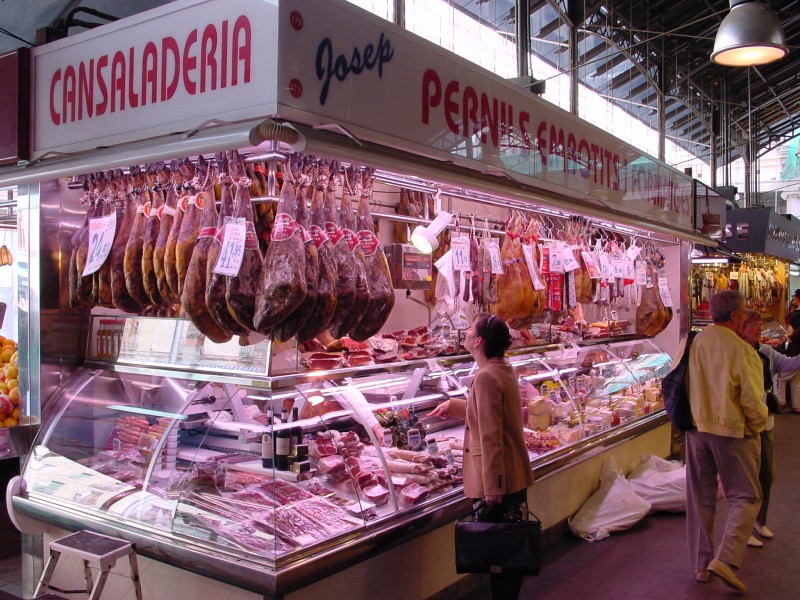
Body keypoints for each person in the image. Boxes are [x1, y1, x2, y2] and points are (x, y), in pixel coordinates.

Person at [430, 313, 534, 600]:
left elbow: (491, 434)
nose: (464, 332)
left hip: (500, 478)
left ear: (478, 341)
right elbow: (488, 412)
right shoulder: (501, 368)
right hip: (512, 471)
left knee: (500, 553)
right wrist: (452, 406)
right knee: (508, 550)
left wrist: (492, 486)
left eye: (469, 329)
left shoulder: (486, 376)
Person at [685, 290, 767, 592]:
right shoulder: (742, 350)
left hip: (696, 428)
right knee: (745, 496)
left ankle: (700, 566)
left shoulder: (695, 341)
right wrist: (758, 425)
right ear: (734, 315)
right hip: (732, 431)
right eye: (744, 312)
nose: (746, 316)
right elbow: (752, 401)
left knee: (701, 498)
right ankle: (726, 559)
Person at [740, 310, 800, 548]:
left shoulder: (765, 352)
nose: (758, 330)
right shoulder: (735, 352)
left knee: (767, 474)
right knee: (747, 478)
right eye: (753, 325)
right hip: (743, 425)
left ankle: (759, 520)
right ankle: (743, 529)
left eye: (759, 326)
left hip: (766, 422)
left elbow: (788, 364)